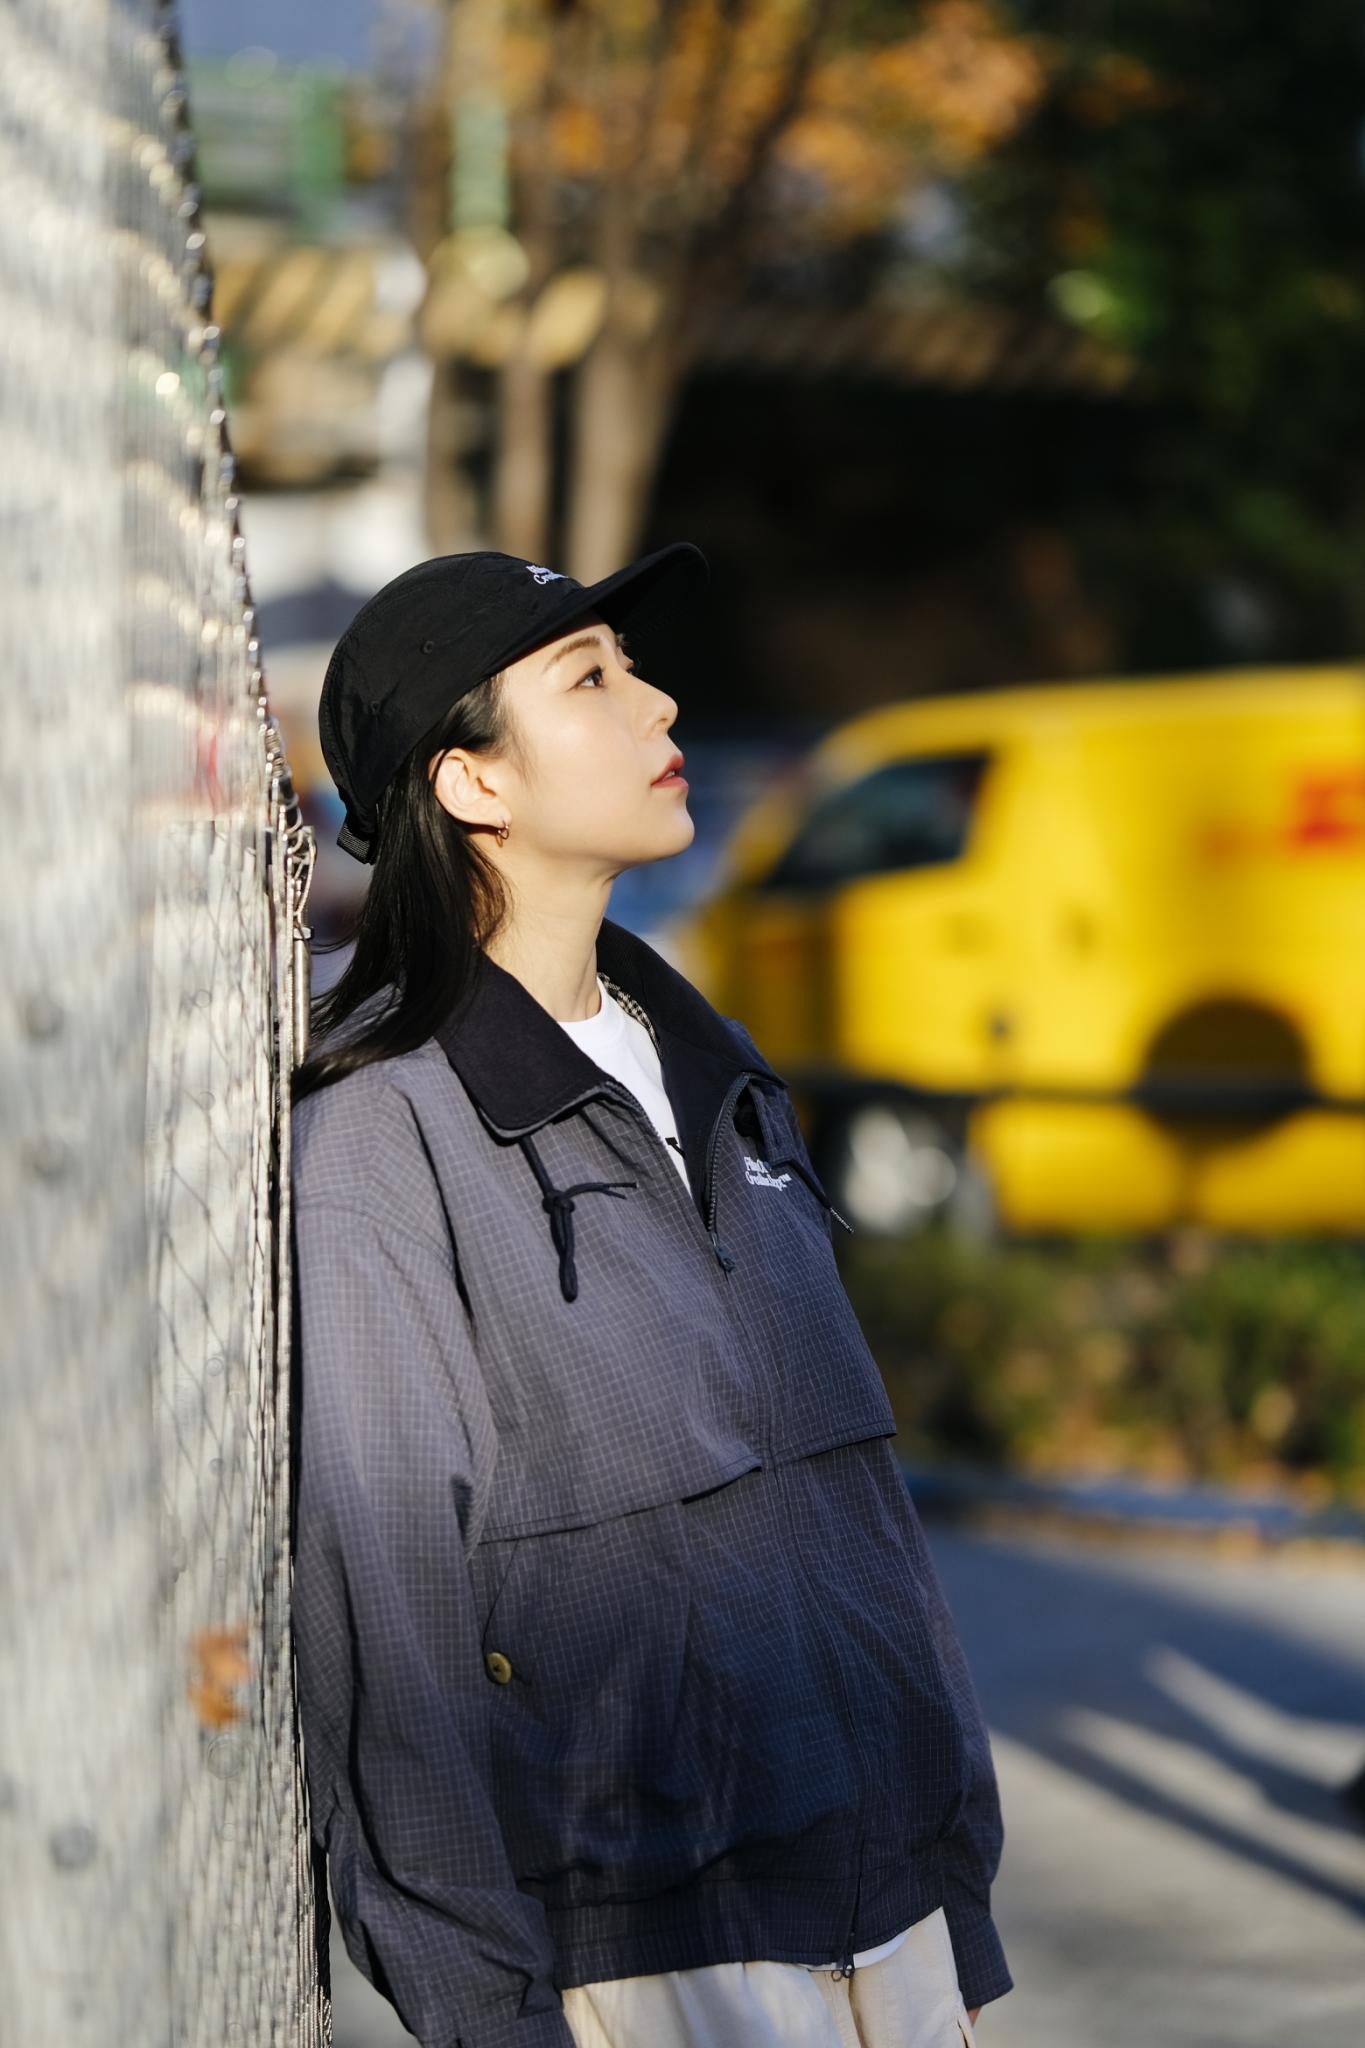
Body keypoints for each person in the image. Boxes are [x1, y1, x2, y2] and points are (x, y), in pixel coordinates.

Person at [291, 544, 1011, 2048]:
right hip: (654, 1947)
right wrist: (483, 2006)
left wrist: (949, 1843)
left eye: (630, 664)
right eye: (589, 678)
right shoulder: (385, 1131)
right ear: (473, 783)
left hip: (890, 1897)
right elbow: (387, 1615)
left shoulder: (716, 1067)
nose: (657, 701)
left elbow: (846, 1495)